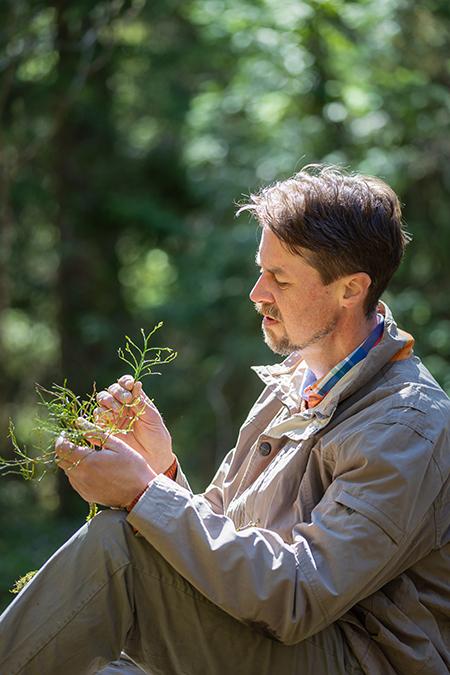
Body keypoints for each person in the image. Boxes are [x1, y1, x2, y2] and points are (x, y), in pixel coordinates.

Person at [0, 165, 449, 675]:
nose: (258, 293)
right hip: (275, 644)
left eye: (279, 278)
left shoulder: (407, 425)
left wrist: (144, 495)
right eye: (261, 270)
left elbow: (298, 595)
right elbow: (229, 541)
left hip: (351, 658)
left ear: (351, 289)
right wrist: (163, 470)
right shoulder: (294, 383)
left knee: (118, 544)